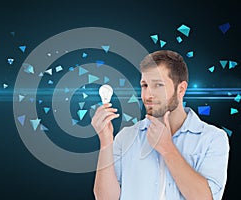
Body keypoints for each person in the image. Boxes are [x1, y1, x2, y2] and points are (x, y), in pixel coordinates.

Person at [91, 50, 229, 200]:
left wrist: (167, 148)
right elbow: (105, 198)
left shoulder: (212, 138)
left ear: (181, 89)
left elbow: (207, 198)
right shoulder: (126, 137)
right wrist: (105, 142)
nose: (148, 94)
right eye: (144, 85)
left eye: (158, 85)